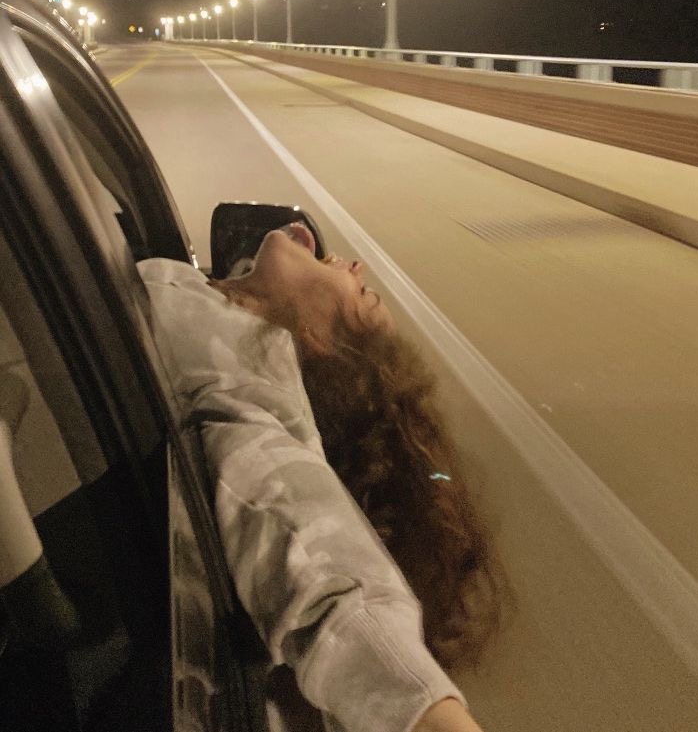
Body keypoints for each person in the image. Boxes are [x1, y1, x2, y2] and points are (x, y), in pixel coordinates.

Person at [138, 222, 507, 732]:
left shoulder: (245, 386)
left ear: (317, 341)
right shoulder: (208, 302)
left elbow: (314, 551)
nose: (354, 264)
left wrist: (431, 716)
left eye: (362, 294)